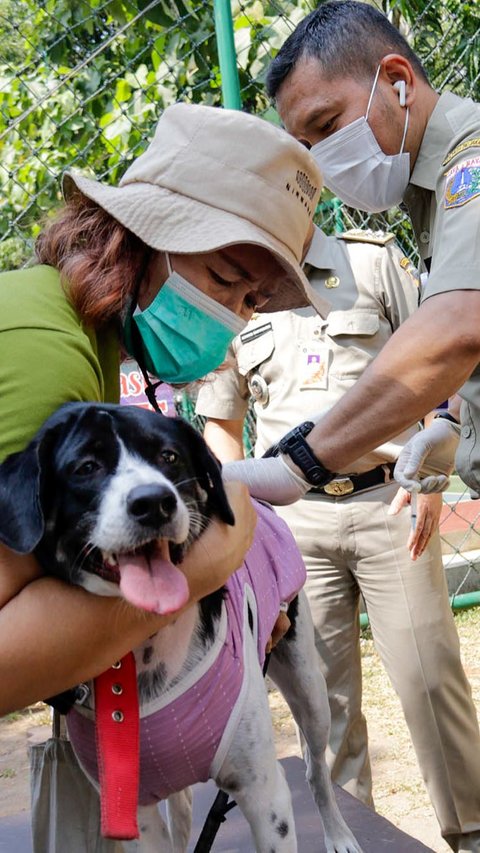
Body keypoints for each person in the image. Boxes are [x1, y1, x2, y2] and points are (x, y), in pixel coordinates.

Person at [215, 4, 480, 849]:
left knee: (430, 684)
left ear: (397, 82)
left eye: (328, 126)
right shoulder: (434, 201)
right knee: (328, 708)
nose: (325, 163)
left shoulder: (470, 165)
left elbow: (453, 330)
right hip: (308, 531)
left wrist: (296, 460)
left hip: (376, 507)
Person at [0, 101, 327, 717]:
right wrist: (225, 551)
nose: (233, 315)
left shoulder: (74, 333)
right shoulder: (47, 352)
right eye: (224, 277)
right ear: (140, 237)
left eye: (252, 299)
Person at [196, 222, 480, 838]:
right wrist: (244, 527)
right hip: (291, 525)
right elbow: (221, 420)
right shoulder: (230, 282)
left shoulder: (370, 264)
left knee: (430, 679)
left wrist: (429, 469)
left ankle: (472, 831)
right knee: (323, 704)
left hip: (390, 501)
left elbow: (442, 367)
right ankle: (351, 831)